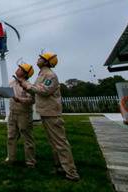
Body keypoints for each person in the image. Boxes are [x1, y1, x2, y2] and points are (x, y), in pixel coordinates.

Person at [17, 52, 80, 181]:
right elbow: (36, 90)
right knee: (54, 143)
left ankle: (72, 173)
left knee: (60, 143)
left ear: (46, 62)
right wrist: (25, 85)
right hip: (46, 112)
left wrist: (27, 85)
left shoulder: (50, 75)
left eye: (41, 58)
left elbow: (44, 91)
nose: (38, 59)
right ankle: (60, 167)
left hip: (52, 113)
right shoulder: (42, 74)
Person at [5, 62, 36, 168]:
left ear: (25, 73)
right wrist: (1, 93)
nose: (17, 69)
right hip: (12, 113)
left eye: (20, 68)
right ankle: (11, 159)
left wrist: (19, 100)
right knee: (11, 137)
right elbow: (8, 93)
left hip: (24, 114)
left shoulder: (29, 85)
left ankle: (30, 162)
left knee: (27, 138)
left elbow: (32, 100)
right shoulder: (12, 83)